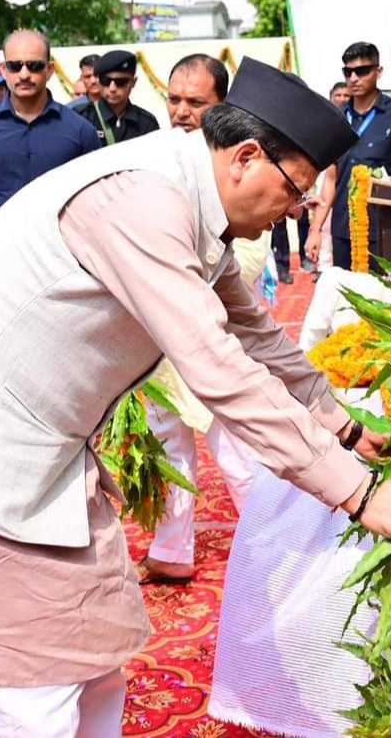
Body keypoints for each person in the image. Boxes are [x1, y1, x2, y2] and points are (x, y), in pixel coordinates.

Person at [0, 59, 391, 736]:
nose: (293, 215)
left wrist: (342, 428)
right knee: (32, 696)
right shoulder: (144, 202)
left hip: (43, 452)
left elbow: (257, 335)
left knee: (94, 677)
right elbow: (218, 369)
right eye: (295, 193)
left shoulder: (190, 195)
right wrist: (359, 494)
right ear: (245, 158)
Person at [140, 50, 264, 585]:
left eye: (197, 102)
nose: (183, 112)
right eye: (175, 99)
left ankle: (276, 549)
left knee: (237, 452)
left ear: (223, 105)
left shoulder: (242, 166)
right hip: (158, 337)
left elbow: (251, 259)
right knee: (166, 445)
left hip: (213, 334)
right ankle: (171, 550)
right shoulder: (153, 157)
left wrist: (185, 288)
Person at [0, 30, 101, 267]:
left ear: (49, 70)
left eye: (34, 65)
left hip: (57, 263)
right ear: (3, 70)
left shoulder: (80, 131)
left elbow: (94, 205)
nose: (24, 74)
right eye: (15, 66)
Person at [306, 42, 391, 272]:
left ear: (378, 72)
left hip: (388, 230)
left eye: (362, 71)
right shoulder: (338, 118)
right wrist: (315, 231)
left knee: (387, 303)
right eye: (347, 72)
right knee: (348, 303)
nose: (353, 78)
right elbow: (330, 180)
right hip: (345, 231)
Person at [77, 49, 160, 144]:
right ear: (99, 81)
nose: (112, 88)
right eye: (106, 81)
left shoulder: (146, 123)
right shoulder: (81, 118)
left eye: (121, 82)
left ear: (133, 82)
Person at [167, 53, 228, 130]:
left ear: (222, 105)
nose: (181, 113)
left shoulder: (241, 141)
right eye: (174, 100)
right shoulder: (152, 140)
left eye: (195, 102)